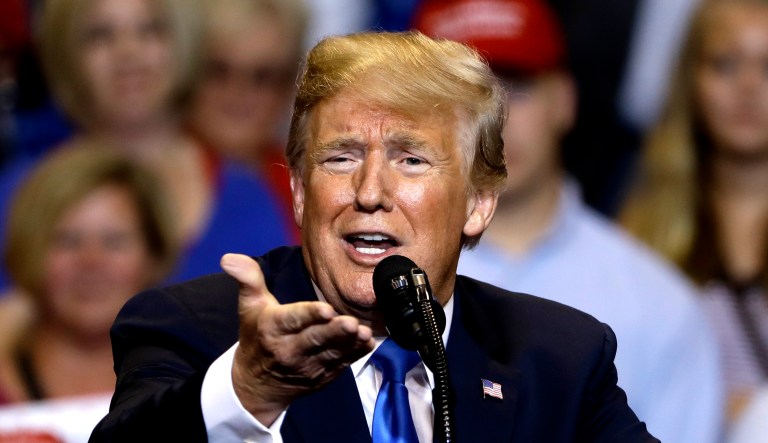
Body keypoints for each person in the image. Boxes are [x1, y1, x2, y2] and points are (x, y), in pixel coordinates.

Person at [90, 31, 658, 442]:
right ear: (300, 193)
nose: (370, 192)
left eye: (411, 160)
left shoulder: (557, 356)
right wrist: (248, 391)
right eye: (341, 158)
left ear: (479, 204)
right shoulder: (195, 330)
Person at [411, 1, 724, 442]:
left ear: (565, 99)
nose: (493, 119)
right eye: (459, 96)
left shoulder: (660, 307)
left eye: (516, 87)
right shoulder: (362, 292)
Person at [0, 0, 291, 293]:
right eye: (100, 34)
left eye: (150, 30)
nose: (128, 53)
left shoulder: (249, 194)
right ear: (66, 53)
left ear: (183, 42)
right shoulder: (21, 194)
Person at [620, 0, 768, 428]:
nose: (748, 86)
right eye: (725, 64)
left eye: (767, 66)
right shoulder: (637, 230)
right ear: (691, 80)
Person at [0, 145, 178, 442]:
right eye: (67, 240)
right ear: (31, 250)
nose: (91, 262)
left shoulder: (202, 379)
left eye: (114, 241)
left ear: (153, 256)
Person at [187, 0, 309, 243]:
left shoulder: (305, 181)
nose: (238, 93)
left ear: (289, 88)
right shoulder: (155, 171)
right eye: (220, 71)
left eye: (262, 77)